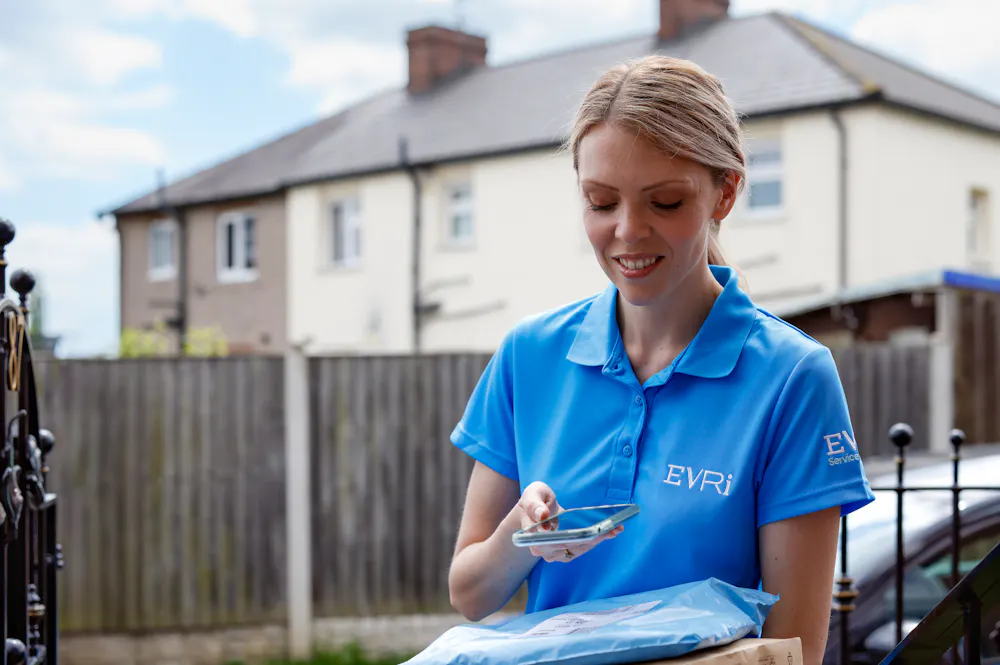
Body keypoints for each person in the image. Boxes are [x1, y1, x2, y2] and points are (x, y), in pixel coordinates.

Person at [446, 54, 875, 665]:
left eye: (665, 203)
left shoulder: (791, 378)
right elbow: (470, 594)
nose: (628, 231)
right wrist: (525, 532)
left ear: (725, 192)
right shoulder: (529, 355)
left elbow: (795, 649)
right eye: (600, 202)